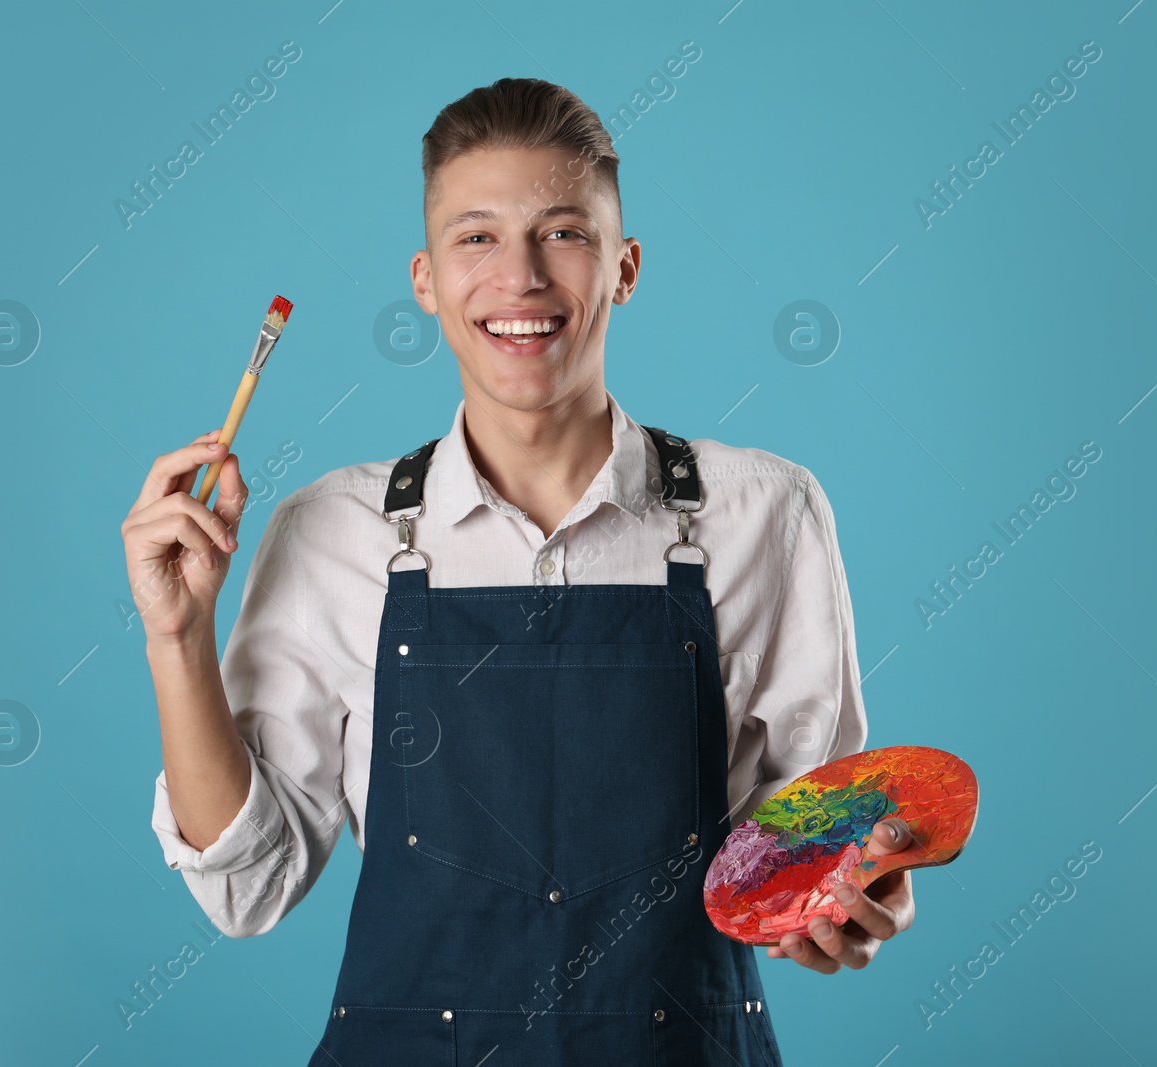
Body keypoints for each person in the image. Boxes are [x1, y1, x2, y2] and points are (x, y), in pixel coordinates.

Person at [121, 76, 917, 1066]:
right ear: (424, 279)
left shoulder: (765, 512)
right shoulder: (330, 531)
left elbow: (805, 857)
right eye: (476, 237)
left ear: (623, 267)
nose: (521, 276)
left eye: (564, 233)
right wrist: (176, 639)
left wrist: (849, 892)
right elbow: (248, 888)